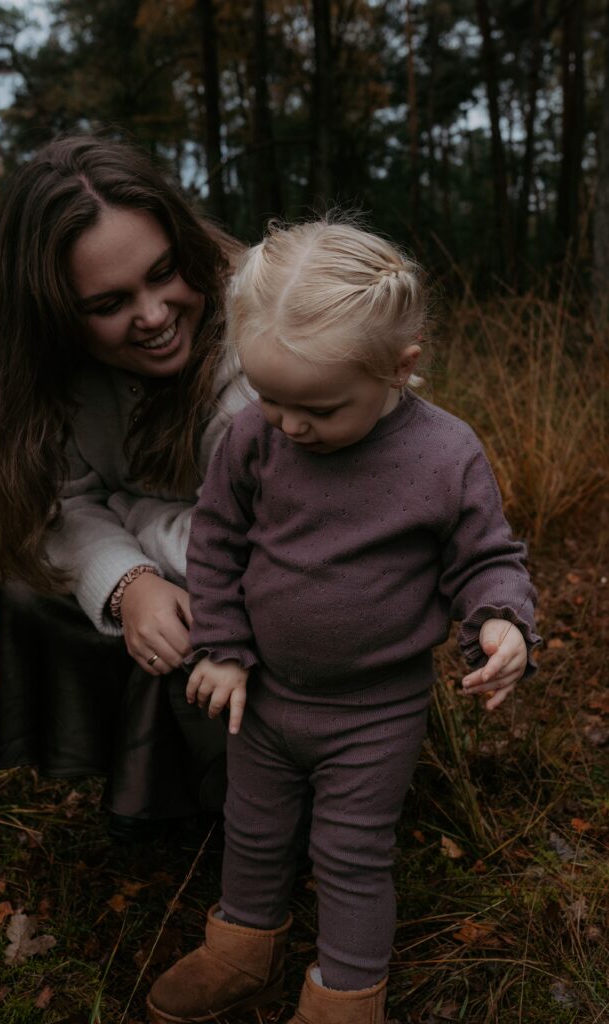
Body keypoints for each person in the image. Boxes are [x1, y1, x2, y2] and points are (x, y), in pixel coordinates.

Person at [145, 220, 541, 1023]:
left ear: (400, 367)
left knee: (351, 855)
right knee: (251, 830)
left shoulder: (443, 454)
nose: (290, 424)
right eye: (270, 397)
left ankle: (346, 994)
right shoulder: (255, 437)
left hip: (374, 711)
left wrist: (501, 622)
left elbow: (486, 558)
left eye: (319, 408)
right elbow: (217, 540)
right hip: (263, 698)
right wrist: (221, 649)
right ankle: (241, 948)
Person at [0, 134, 249, 838]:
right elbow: (63, 507)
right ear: (55, 313)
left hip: (289, 594)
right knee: (37, 586)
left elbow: (259, 536)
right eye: (109, 302)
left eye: (164, 273)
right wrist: (130, 585)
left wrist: (134, 517)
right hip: (191, 563)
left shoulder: (264, 333)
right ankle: (142, 784)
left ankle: (260, 808)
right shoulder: (52, 380)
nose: (152, 315)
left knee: (206, 619)